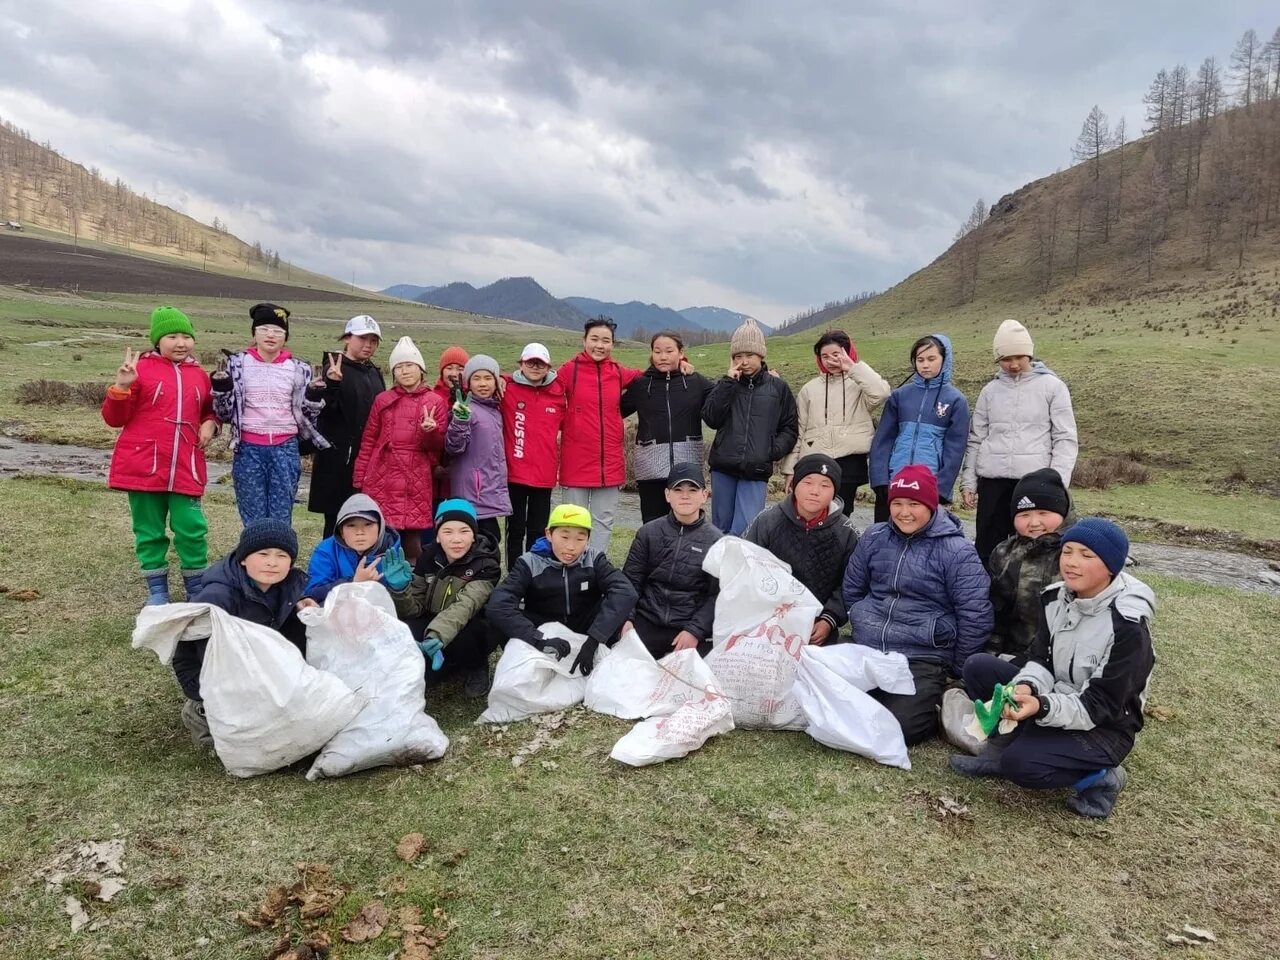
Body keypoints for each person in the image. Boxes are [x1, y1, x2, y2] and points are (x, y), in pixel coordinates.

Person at [951, 518, 1154, 820]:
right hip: (1058, 697)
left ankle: (1101, 778)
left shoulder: (1127, 625)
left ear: (1111, 566)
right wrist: (1026, 687)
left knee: (1022, 765)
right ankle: (997, 751)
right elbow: (1040, 659)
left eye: (1086, 556)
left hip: (1105, 725)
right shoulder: (1054, 597)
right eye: (1067, 551)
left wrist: (1040, 706)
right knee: (979, 668)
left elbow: (1100, 705)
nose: (1071, 563)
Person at [842, 465, 993, 746]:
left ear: (932, 505)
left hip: (922, 656)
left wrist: (956, 671)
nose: (904, 512)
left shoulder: (958, 552)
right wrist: (862, 619)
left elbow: (975, 615)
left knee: (901, 726)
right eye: (897, 503)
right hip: (868, 646)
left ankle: (934, 700)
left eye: (914, 504)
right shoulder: (874, 537)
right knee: (815, 686)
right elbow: (852, 588)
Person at [102, 306, 218, 606]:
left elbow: (207, 409)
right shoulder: (141, 370)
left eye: (186, 336)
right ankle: (157, 590)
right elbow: (115, 419)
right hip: (145, 464)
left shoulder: (200, 375)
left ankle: (196, 586)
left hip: (185, 464)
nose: (181, 343)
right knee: (149, 529)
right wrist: (121, 387)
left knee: (191, 528)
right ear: (157, 340)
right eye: (172, 336)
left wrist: (210, 423)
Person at [174, 519, 314, 747]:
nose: (272, 563)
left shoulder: (285, 589)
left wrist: (300, 606)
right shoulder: (218, 596)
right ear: (243, 559)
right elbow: (204, 651)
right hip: (210, 669)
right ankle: (201, 711)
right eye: (263, 554)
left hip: (254, 665)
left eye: (281, 555)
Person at [961, 319, 1078, 565]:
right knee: (987, 547)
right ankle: (985, 598)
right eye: (1005, 359)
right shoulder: (989, 392)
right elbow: (976, 439)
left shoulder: (1053, 387)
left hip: (1035, 482)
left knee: (1033, 548)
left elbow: (1065, 438)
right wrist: (969, 481)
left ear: (1030, 354)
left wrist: (1056, 482)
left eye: (1019, 357)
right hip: (992, 482)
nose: (1013, 364)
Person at [211, 302, 328, 526]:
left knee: (282, 515)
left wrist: (313, 397)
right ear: (254, 333)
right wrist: (221, 389)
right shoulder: (236, 365)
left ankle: (281, 560)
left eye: (278, 331)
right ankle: (252, 560)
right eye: (264, 329)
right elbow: (224, 413)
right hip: (248, 448)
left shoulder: (299, 368)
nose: (271, 335)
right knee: (252, 514)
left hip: (285, 449)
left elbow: (307, 417)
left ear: (285, 337)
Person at [487, 504, 637, 677]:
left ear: (588, 539)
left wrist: (594, 640)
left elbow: (625, 591)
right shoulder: (529, 563)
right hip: (544, 628)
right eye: (564, 537)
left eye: (580, 539)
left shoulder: (594, 559)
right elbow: (499, 604)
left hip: (584, 627)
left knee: (622, 609)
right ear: (549, 534)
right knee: (496, 618)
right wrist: (538, 639)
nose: (571, 547)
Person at [383, 498, 502, 696]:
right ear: (437, 536)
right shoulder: (428, 557)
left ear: (474, 535)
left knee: (468, 635)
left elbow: (464, 607)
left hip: (471, 625)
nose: (456, 539)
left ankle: (476, 666)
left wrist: (436, 635)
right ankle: (444, 661)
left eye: (464, 531)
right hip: (434, 622)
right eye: (448, 531)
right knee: (405, 630)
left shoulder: (486, 565)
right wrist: (400, 589)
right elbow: (414, 609)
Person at [743, 454, 858, 646]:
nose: (815, 491)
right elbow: (745, 567)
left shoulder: (847, 532)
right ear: (794, 484)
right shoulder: (768, 520)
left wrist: (829, 620)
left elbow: (851, 584)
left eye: (825, 485)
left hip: (818, 628)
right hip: (766, 622)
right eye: (808, 482)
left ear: (835, 492)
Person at [352, 337, 448, 563]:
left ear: (420, 369)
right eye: (399, 367)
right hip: (382, 475)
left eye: (409, 365)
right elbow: (369, 441)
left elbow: (438, 448)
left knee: (412, 542)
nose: (405, 371)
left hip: (416, 477)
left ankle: (412, 592)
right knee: (380, 538)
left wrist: (430, 432)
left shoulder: (435, 401)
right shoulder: (383, 400)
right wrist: (359, 480)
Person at [702, 319, 798, 535]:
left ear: (761, 356)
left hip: (756, 470)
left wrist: (770, 451)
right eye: (738, 356)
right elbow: (711, 418)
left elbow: (790, 427)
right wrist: (727, 383)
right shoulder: (725, 384)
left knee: (747, 530)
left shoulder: (778, 388)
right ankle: (716, 570)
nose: (743, 361)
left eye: (749, 355)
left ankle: (741, 570)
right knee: (719, 529)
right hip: (723, 467)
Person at [781, 330, 890, 517]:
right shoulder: (809, 389)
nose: (830, 360)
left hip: (849, 461)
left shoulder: (859, 385)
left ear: (847, 353)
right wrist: (790, 469)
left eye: (836, 354)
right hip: (814, 459)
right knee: (811, 511)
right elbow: (799, 430)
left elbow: (882, 392)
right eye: (824, 356)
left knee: (840, 513)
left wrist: (852, 367)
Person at [558, 317, 643, 553]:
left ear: (612, 345)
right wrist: (502, 380)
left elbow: (648, 375)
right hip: (575, 462)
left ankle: (595, 569)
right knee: (572, 522)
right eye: (594, 339)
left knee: (603, 521)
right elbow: (538, 381)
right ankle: (571, 569)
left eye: (606, 340)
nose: (599, 345)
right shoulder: (568, 370)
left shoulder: (617, 372)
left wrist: (683, 362)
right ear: (584, 341)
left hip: (610, 463)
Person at [621, 463, 723, 658]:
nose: (685, 496)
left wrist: (695, 631)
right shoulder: (648, 533)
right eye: (678, 490)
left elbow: (716, 596)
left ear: (704, 495)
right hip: (647, 621)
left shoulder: (717, 542)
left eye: (692, 490)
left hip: (688, 628)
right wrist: (627, 619)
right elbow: (630, 582)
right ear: (668, 495)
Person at [869, 333, 969, 524]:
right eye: (920, 359)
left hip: (928, 484)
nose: (925, 365)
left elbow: (955, 450)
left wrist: (941, 488)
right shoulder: (899, 396)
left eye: (932, 359)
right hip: (893, 480)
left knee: (924, 541)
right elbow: (883, 439)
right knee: (885, 537)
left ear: (945, 360)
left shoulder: (956, 400)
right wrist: (880, 479)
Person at [621, 331, 715, 523]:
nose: (662, 357)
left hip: (687, 464)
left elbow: (722, 399)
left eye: (669, 351)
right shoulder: (640, 384)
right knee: (653, 523)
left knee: (687, 521)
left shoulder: (695, 382)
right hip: (650, 466)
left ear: (681, 353)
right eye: (657, 351)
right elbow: (615, 411)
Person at [308, 314, 386, 538]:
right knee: (336, 520)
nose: (368, 345)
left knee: (364, 517)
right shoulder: (333, 368)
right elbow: (320, 411)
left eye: (373, 340)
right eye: (362, 338)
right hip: (337, 459)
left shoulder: (373, 372)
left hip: (366, 458)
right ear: (348, 337)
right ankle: (332, 568)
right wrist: (331, 385)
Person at [986, 468, 1076, 658]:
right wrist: (991, 652)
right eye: (1024, 515)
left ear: (1064, 512)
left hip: (1067, 654)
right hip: (1016, 652)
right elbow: (997, 613)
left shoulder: (1077, 552)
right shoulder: (1003, 553)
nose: (1034, 522)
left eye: (1043, 513)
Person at [501, 342, 568, 569]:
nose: (535, 367)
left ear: (548, 366)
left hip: (544, 475)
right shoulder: (507, 388)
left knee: (538, 531)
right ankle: (513, 574)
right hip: (514, 474)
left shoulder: (559, 393)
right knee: (515, 529)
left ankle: (534, 573)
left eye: (540, 363)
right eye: (531, 362)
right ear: (521, 363)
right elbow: (483, 375)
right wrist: (500, 376)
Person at [445, 355, 511, 547]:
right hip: (474, 490)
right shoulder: (466, 409)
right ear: (468, 382)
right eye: (477, 378)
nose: (483, 384)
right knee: (480, 540)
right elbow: (454, 447)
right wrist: (459, 421)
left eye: (488, 378)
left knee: (489, 540)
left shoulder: (494, 409)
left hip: (487, 488)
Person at [302, 493, 402, 602]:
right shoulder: (326, 551)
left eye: (368, 524)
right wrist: (353, 583)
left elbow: (404, 609)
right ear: (341, 531)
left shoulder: (393, 551)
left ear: (380, 527)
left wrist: (401, 590)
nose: (360, 532)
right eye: (351, 525)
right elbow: (312, 593)